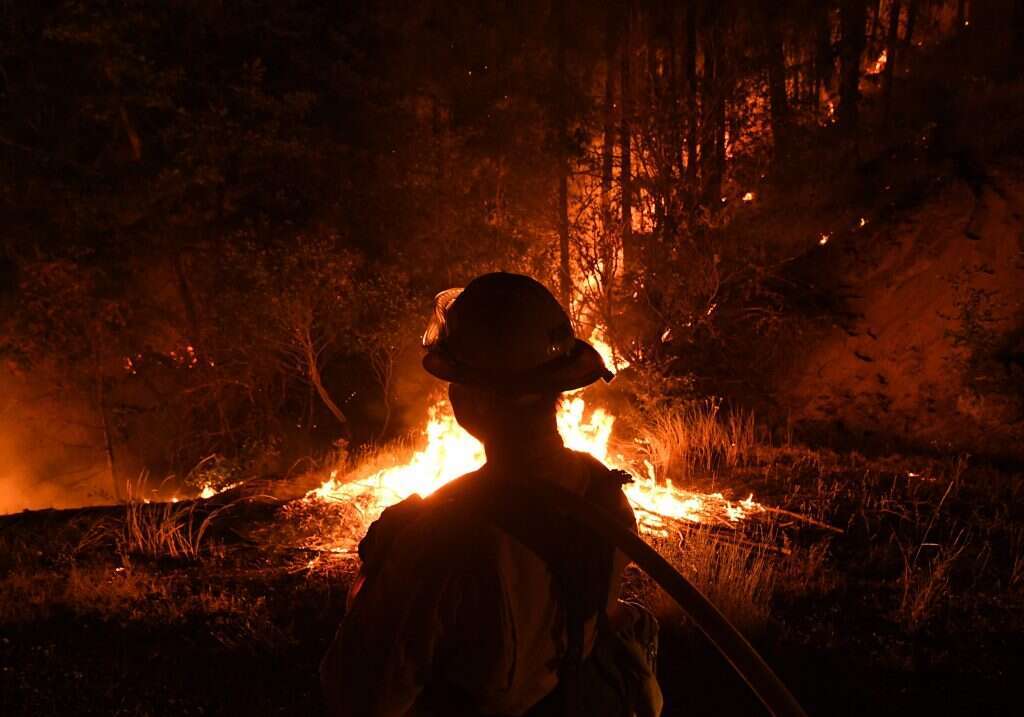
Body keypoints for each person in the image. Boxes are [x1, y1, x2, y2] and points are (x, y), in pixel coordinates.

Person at [320, 272, 662, 717]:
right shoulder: (603, 494)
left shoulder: (441, 539)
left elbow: (358, 696)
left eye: (455, 382)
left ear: (474, 400)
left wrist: (378, 575)